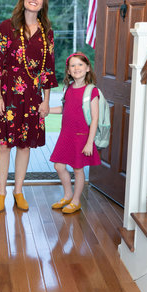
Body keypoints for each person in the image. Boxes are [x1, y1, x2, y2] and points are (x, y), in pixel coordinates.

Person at [0, 0, 58, 213]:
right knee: (4, 145)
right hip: (6, 93)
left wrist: (46, 101)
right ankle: (2, 192)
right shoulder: (7, 27)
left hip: (32, 96)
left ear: (43, 3)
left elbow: (48, 70)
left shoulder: (47, 33)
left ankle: (18, 191)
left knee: (24, 146)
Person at [49, 52, 101, 214]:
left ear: (87, 68)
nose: (76, 68)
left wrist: (89, 142)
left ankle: (76, 201)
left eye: (80, 64)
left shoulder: (91, 91)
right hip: (66, 135)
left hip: (82, 137)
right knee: (59, 165)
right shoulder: (68, 88)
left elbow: (94, 119)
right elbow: (65, 110)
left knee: (78, 169)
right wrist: (46, 110)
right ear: (69, 71)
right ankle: (67, 195)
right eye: (73, 65)